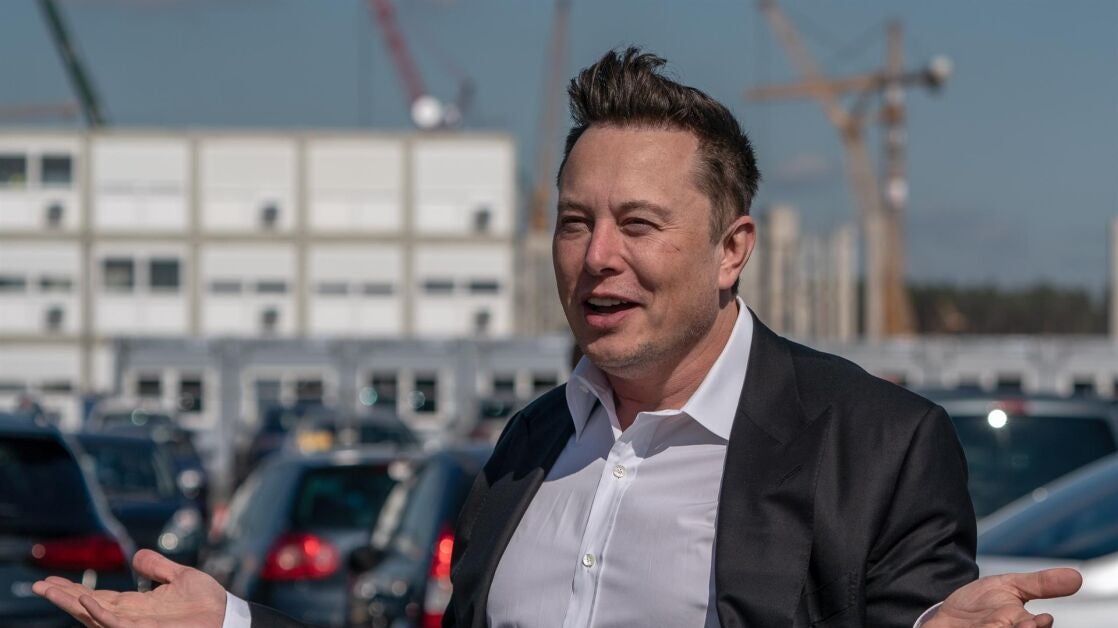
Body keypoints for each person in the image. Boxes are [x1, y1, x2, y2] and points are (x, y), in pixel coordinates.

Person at [34, 47, 1081, 628]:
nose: (596, 257)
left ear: (732, 250)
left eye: (638, 224)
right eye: (574, 222)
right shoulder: (528, 445)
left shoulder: (878, 444)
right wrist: (230, 623)